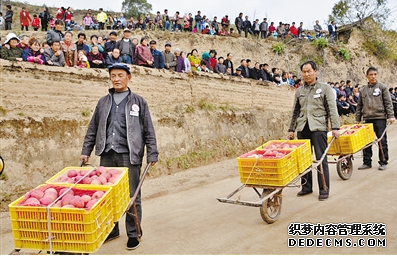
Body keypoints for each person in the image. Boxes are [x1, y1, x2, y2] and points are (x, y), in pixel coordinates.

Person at [79, 63, 158, 251]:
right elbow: (93, 128)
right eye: (113, 75)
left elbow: (148, 129)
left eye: (120, 75)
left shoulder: (139, 102)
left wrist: (152, 152)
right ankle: (111, 230)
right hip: (107, 154)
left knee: (131, 195)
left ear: (128, 77)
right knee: (108, 195)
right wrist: (86, 151)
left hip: (129, 155)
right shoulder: (103, 102)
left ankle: (134, 233)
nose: (116, 79)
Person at [288, 61, 340, 201]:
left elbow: (332, 109)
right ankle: (306, 187)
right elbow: (295, 111)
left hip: (318, 128)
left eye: (309, 71)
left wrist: (335, 127)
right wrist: (291, 129)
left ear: (315, 71)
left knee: (320, 159)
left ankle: (324, 188)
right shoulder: (299, 91)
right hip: (302, 128)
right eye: (304, 72)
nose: (306, 74)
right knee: (304, 160)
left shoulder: (325, 88)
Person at [355, 67, 395, 170]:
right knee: (366, 142)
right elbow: (359, 106)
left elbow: (388, 103)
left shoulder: (382, 87)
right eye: (371, 75)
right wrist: (357, 118)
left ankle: (383, 161)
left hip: (380, 117)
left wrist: (390, 116)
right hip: (367, 119)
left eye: (375, 74)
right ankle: (367, 162)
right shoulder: (363, 90)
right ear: (367, 76)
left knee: (382, 141)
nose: (373, 76)